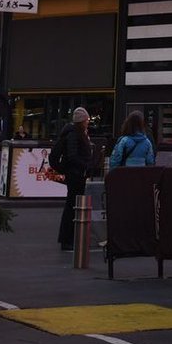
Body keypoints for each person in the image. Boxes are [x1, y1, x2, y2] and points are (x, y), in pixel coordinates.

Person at [57, 106, 94, 252]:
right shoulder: (74, 135)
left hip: (76, 174)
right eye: (87, 119)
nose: (88, 122)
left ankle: (68, 238)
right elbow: (72, 156)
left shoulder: (76, 133)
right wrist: (85, 165)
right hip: (76, 174)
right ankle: (67, 239)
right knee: (72, 205)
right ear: (81, 120)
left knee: (72, 205)